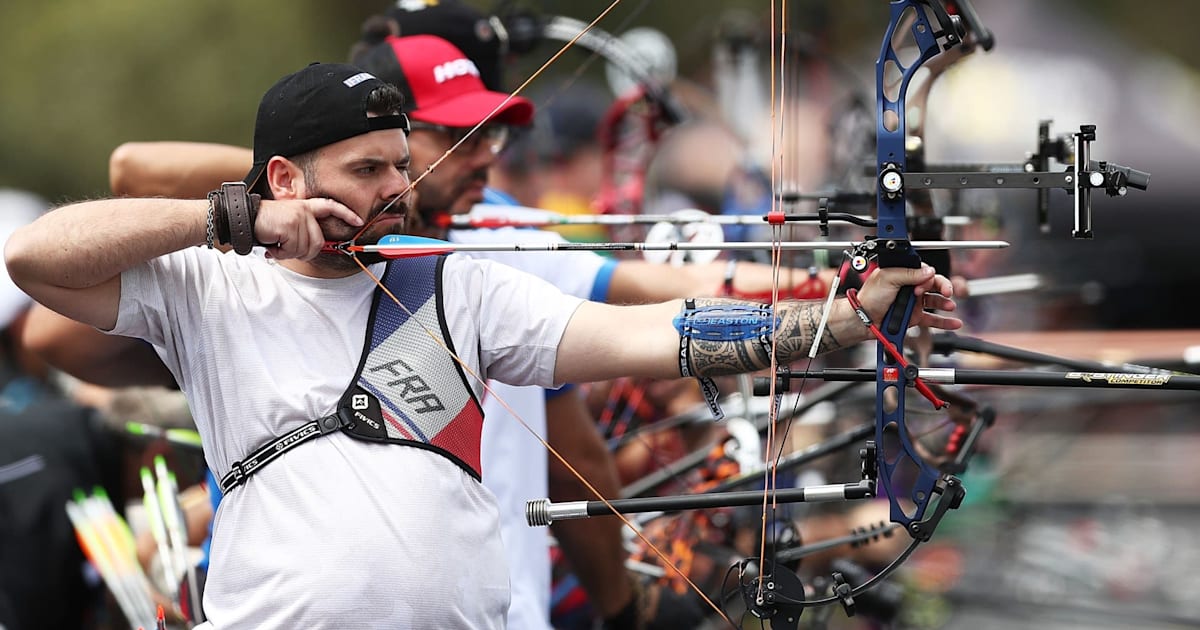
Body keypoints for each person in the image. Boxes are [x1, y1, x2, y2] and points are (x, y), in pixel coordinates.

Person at [4, 61, 959, 628]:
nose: (396, 190)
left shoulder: (457, 285)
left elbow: (654, 335)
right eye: (367, 168)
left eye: (402, 168)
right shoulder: (209, 286)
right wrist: (236, 219)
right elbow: (37, 262)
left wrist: (840, 318)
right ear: (288, 176)